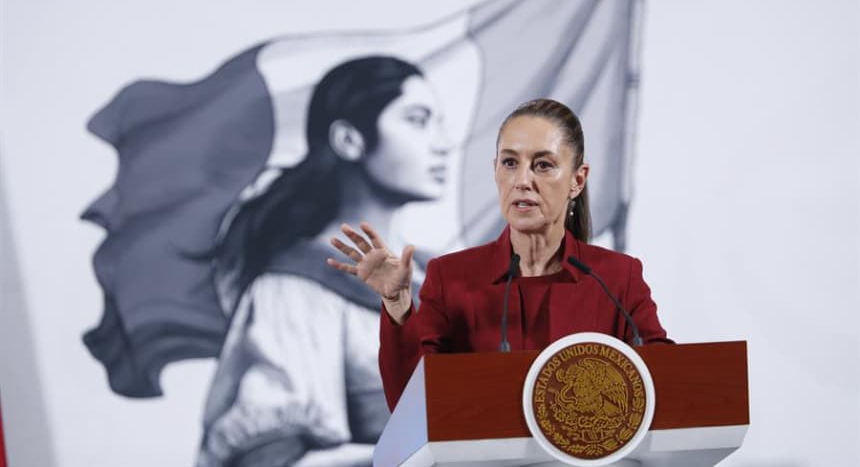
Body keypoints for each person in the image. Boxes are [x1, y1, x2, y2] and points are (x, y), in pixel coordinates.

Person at [328, 98, 670, 410]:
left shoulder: (615, 278)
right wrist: (399, 304)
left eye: (543, 165)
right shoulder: (451, 278)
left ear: (577, 181)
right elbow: (410, 403)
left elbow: (669, 386)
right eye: (510, 163)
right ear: (495, 171)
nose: (522, 180)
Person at [196, 55, 449, 467]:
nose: (441, 142)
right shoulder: (296, 289)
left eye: (438, 123)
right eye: (417, 121)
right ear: (350, 140)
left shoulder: (442, 275)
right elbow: (275, 456)